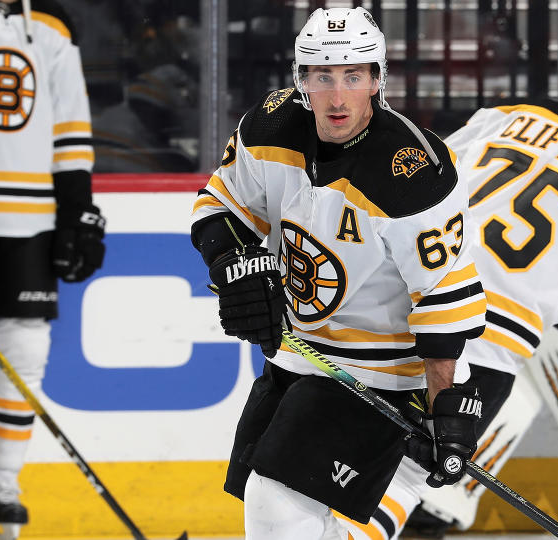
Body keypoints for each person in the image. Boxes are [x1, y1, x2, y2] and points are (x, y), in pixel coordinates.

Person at [336, 39, 558, 540]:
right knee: (400, 481)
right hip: (482, 347)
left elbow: (418, 187)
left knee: (328, 464)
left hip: (391, 301)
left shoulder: (503, 115)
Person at [188, 7, 487, 540]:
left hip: (384, 371)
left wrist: (442, 403)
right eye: (322, 76)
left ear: (377, 80)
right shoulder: (269, 126)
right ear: (301, 79)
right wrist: (233, 265)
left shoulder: (411, 168)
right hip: (301, 355)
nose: (338, 95)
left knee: (276, 503)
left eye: (353, 76)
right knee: (285, 512)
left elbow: (442, 297)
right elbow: (219, 208)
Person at [0, 1, 103, 538]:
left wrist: (78, 212)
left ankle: (3, 485)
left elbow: (70, 123)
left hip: (31, 218)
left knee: (26, 352)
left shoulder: (55, 25)